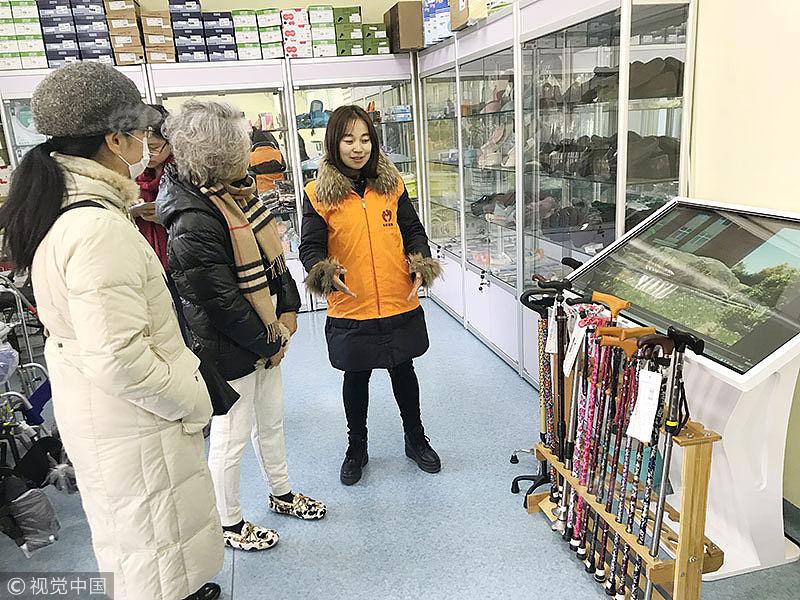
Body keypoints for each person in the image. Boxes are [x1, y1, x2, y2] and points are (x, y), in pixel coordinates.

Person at [0, 63, 222, 600]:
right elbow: (120, 359)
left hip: (109, 418)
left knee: (143, 544)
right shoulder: (97, 227)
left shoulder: (68, 210)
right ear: (115, 139)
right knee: (154, 551)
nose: (148, 144)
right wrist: (193, 400)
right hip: (136, 422)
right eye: (142, 132)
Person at [157, 100, 326, 553]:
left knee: (271, 421)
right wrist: (268, 341)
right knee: (230, 438)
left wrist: (288, 311)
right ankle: (229, 521)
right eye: (240, 144)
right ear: (218, 153)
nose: (248, 152)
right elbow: (220, 303)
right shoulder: (193, 217)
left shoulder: (238, 196)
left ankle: (281, 493)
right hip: (231, 348)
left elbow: (275, 263)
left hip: (266, 335)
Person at [299, 105, 443, 486]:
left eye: (365, 139)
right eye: (349, 140)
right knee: (356, 377)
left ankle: (415, 439)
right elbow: (310, 247)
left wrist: (420, 261)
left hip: (397, 298)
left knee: (404, 371)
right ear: (334, 143)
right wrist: (325, 273)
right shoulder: (318, 194)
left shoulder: (392, 186)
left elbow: (413, 231)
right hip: (352, 303)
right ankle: (357, 447)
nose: (358, 148)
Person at [131, 104, 172, 271]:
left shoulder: (182, 174)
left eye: (154, 148)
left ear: (171, 142)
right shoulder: (134, 173)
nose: (147, 154)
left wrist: (169, 215)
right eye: (143, 147)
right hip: (145, 257)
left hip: (177, 255)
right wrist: (133, 212)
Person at [249, 128, 286, 195]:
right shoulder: (277, 153)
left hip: (261, 191)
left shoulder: (251, 156)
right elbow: (284, 168)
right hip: (279, 190)